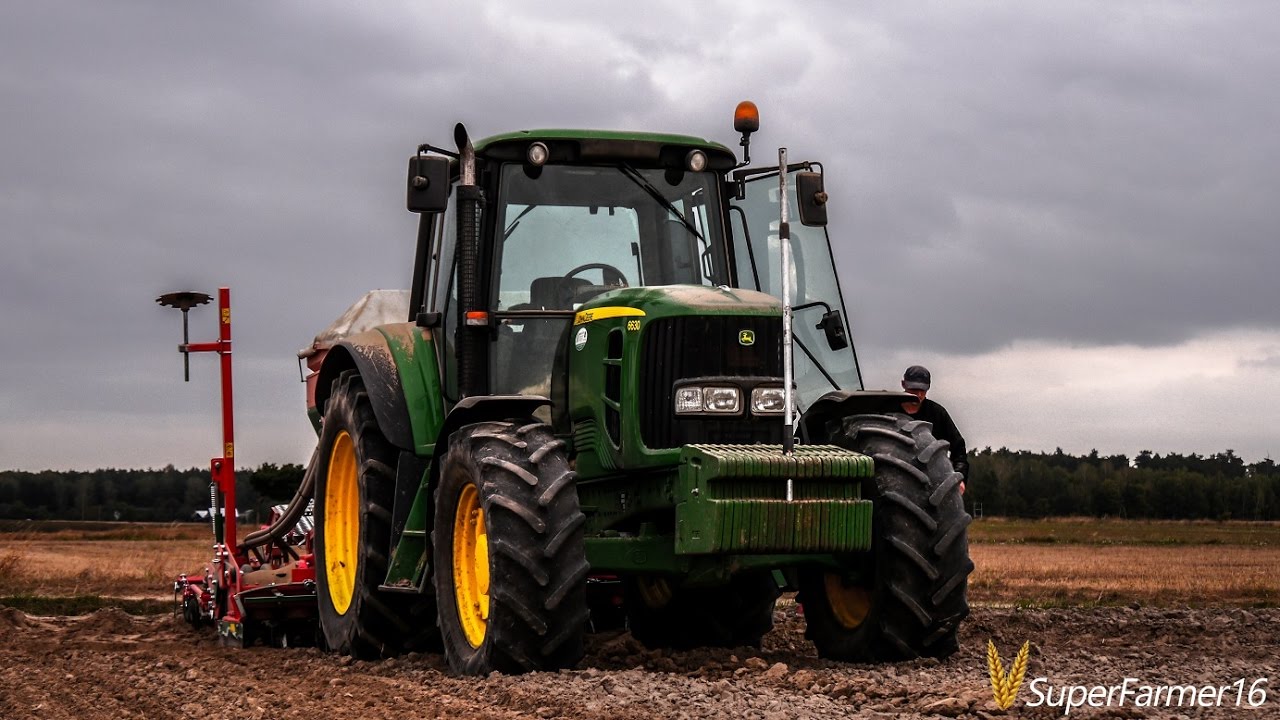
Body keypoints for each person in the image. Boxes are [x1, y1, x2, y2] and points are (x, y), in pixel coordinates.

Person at [900, 365, 969, 493]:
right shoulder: (887, 409)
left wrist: (959, 476)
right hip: (895, 474)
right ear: (904, 384)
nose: (919, 394)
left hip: (931, 478)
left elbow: (958, 446)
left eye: (923, 390)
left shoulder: (937, 413)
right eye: (914, 390)